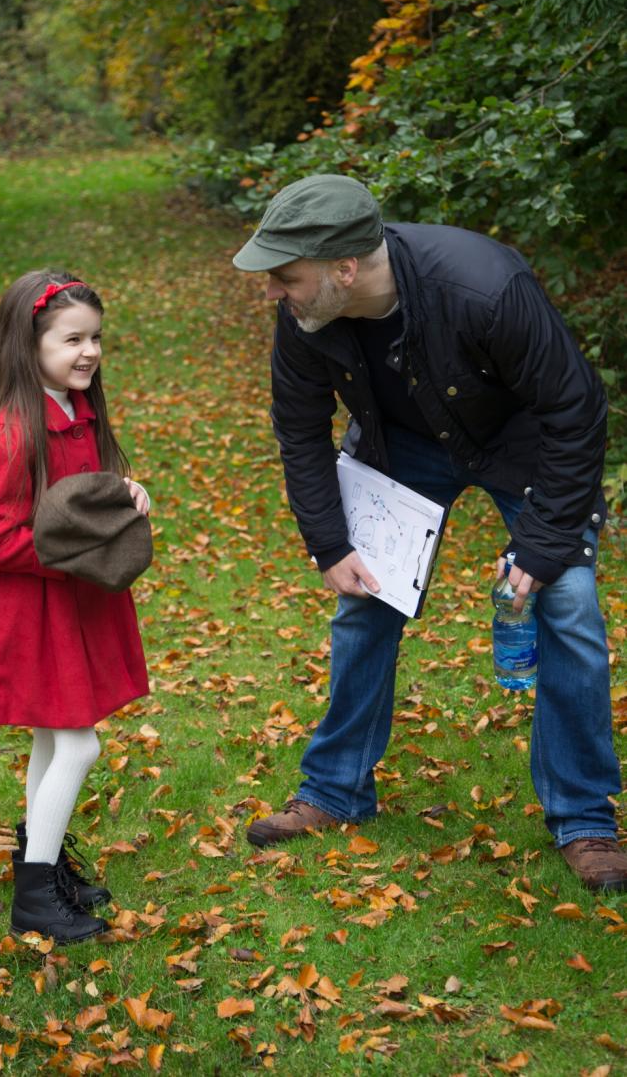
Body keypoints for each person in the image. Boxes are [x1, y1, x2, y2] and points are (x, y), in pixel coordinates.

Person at [233, 174, 626, 892]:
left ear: (343, 268)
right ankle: (334, 791)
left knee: (568, 606)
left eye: (284, 277)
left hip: (522, 442)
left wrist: (538, 550)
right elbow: (299, 430)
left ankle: (584, 819)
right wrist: (330, 544)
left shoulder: (485, 287)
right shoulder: (306, 317)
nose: (271, 293)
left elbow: (575, 411)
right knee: (363, 603)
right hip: (404, 446)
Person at [0, 270, 150, 941]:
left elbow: (73, 495)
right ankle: (35, 898)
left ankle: (43, 858)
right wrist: (81, 551)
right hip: (27, 611)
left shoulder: (73, 408)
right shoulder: (15, 429)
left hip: (65, 603)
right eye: (71, 340)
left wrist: (120, 495)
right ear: (28, 345)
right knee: (78, 744)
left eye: (95, 338)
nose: (88, 352)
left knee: (51, 735)